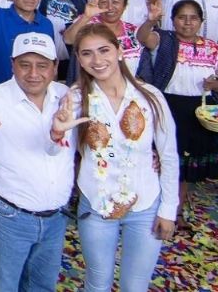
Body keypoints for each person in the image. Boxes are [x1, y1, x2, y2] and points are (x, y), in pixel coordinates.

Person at [0, 32, 79, 291]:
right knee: (6, 284)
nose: (33, 73)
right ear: (12, 65)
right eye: (24, 64)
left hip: (56, 217)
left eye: (42, 65)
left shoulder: (69, 99)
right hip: (10, 216)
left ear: (55, 68)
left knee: (42, 285)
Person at [70, 24, 178, 292]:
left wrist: (168, 209)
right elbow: (58, 151)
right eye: (87, 54)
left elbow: (169, 156)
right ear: (80, 61)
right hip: (95, 203)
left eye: (104, 50)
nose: (97, 60)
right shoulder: (73, 99)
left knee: (136, 284)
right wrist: (55, 132)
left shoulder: (150, 97)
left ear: (119, 51)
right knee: (97, 281)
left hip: (145, 203)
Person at [137, 0, 218, 226]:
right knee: (161, 159)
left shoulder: (213, 48)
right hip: (167, 106)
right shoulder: (164, 40)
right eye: (182, 17)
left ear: (201, 21)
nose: (187, 23)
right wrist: (150, 21)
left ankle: (176, 210)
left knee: (185, 165)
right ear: (173, 20)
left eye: (193, 18)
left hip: (198, 111)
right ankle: (151, 208)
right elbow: (143, 38)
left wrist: (215, 85)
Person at [64, 0, 146, 81]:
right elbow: (68, 39)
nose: (110, 7)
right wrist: (86, 16)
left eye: (115, 2)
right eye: (104, 2)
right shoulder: (88, 22)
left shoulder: (132, 31)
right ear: (98, 3)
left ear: (124, 5)